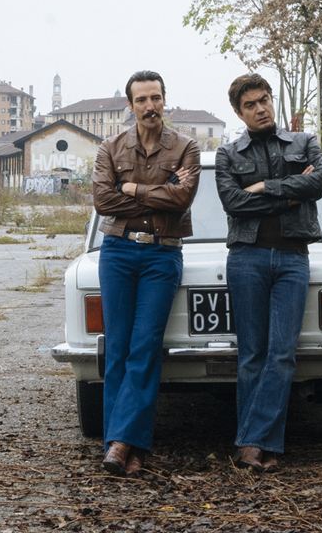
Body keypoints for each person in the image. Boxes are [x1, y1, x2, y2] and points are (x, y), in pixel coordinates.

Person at [214, 73, 322, 472]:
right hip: (247, 258)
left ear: (272, 100)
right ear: (238, 111)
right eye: (250, 104)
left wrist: (264, 187)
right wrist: (288, 194)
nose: (260, 108)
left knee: (282, 355)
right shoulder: (227, 154)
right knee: (251, 356)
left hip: (294, 257)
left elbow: (318, 185)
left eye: (264, 100)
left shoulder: (304, 141)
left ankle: (253, 442)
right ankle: (264, 446)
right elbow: (232, 203)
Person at [91, 70, 200, 476]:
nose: (150, 106)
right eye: (142, 100)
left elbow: (182, 199)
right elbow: (103, 200)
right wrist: (161, 193)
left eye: (155, 98)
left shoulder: (186, 147)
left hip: (162, 255)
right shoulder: (110, 147)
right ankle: (124, 447)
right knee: (117, 347)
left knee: (145, 347)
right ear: (130, 105)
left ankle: (120, 443)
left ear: (165, 101)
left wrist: (132, 189)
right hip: (117, 251)